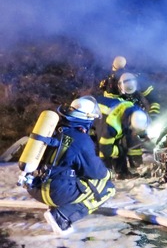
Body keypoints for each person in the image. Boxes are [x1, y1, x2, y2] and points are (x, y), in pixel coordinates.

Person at [23, 96, 116, 235]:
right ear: (86, 118)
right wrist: (108, 174)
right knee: (107, 189)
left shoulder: (56, 128)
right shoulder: (80, 139)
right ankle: (62, 216)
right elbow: (95, 172)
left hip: (36, 187)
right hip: (56, 192)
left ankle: (57, 208)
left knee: (67, 173)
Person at [95, 98, 150, 179]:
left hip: (109, 111)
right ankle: (104, 175)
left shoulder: (137, 112)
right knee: (101, 149)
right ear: (129, 124)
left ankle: (122, 172)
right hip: (95, 117)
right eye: (135, 130)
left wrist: (143, 135)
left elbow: (140, 124)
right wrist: (120, 151)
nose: (135, 133)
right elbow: (105, 149)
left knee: (119, 145)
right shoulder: (112, 126)